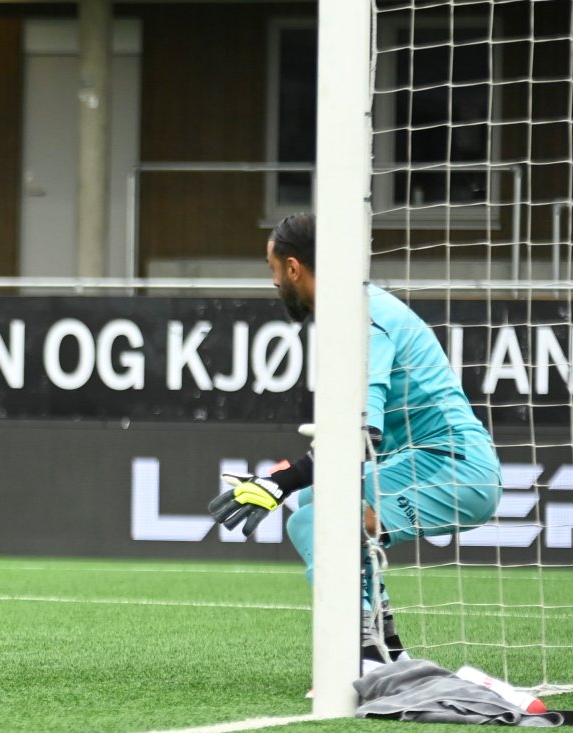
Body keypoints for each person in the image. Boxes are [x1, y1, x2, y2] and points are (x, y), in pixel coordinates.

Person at [208, 212, 502, 670]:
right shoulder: (357, 308)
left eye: (271, 269)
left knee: (316, 523)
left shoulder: (362, 317)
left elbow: (363, 433)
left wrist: (280, 480)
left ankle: (362, 658)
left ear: (292, 268)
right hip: (436, 461)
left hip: (455, 469)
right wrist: (291, 482)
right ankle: (386, 651)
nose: (271, 283)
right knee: (314, 503)